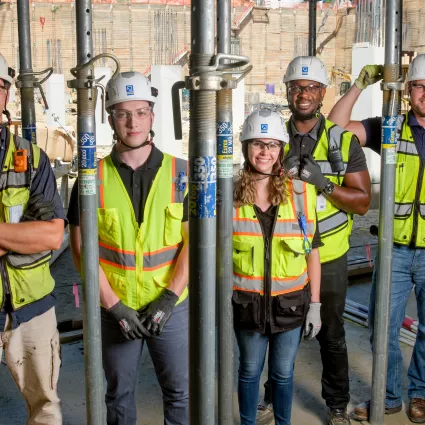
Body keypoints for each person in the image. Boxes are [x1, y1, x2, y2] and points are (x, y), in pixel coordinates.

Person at [68, 71, 189, 425]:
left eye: (140, 112)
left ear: (152, 116)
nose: (132, 122)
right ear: (110, 120)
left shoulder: (181, 174)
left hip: (171, 306)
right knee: (119, 395)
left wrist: (169, 298)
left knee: (180, 392)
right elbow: (80, 248)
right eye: (123, 113)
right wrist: (113, 305)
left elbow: (194, 244)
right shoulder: (91, 179)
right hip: (115, 308)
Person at [256, 56, 371, 425]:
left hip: (331, 255)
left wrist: (323, 183)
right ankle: (272, 396)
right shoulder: (273, 137)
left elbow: (363, 201)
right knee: (277, 328)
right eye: (296, 87)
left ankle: (337, 406)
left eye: (311, 88)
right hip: (284, 253)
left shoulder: (342, 141)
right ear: (288, 91)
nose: (303, 94)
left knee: (331, 334)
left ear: (322, 93)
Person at [328, 56, 425, 424]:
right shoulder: (389, 128)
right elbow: (334, 129)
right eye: (418, 86)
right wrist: (359, 85)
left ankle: (420, 395)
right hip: (394, 249)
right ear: (406, 92)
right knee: (382, 328)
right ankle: (387, 397)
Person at [233, 109, 322, 425]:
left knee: (283, 374)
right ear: (246, 147)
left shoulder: (300, 193)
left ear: (281, 150)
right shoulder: (230, 196)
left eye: (272, 145)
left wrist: (315, 306)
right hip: (247, 305)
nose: (264, 152)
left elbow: (312, 251)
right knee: (248, 371)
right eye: (258, 143)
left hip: (290, 305)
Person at [0, 53, 66, 424]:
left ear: (7, 94)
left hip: (32, 307)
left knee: (45, 407)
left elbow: (52, 234)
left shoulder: (31, 158)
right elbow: (34, 233)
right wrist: (19, 234)